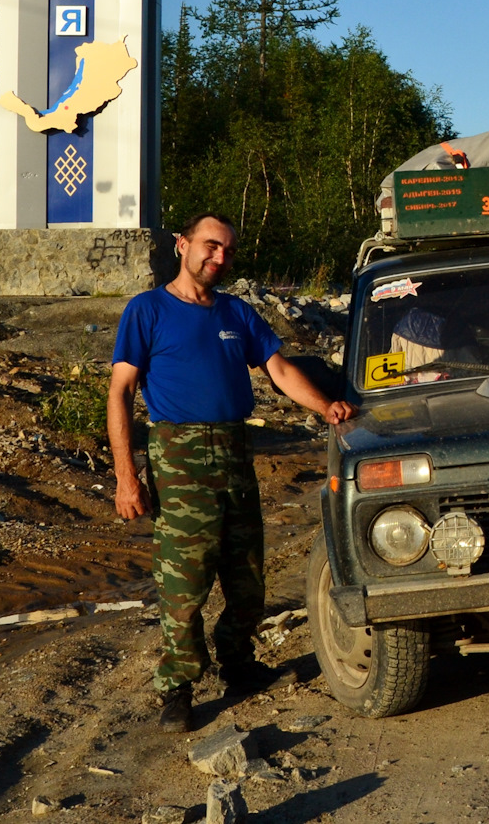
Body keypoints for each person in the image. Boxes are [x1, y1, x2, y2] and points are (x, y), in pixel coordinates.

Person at [107, 212, 353, 733]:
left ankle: (238, 664)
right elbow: (121, 393)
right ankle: (177, 687)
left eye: (228, 252)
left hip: (236, 451)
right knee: (184, 581)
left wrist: (325, 406)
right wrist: (126, 476)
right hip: (179, 453)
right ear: (182, 245)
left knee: (247, 575)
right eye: (210, 246)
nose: (218, 258)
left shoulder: (237, 314)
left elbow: (281, 371)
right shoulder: (147, 310)